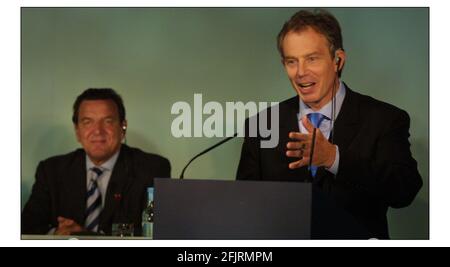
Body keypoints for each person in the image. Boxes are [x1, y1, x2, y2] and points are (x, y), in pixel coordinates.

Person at [236, 9, 423, 239]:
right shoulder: (262, 124)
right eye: (291, 61)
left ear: (338, 60)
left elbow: (404, 191)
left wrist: (333, 158)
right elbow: (244, 206)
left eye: (312, 58)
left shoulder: (383, 119)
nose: (301, 72)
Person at [22, 88, 171, 235]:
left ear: (123, 127)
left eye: (107, 121)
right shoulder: (51, 171)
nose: (98, 131)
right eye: (87, 122)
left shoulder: (152, 169)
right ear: (77, 131)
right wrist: (58, 234)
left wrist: (88, 237)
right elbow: (27, 227)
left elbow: (153, 231)